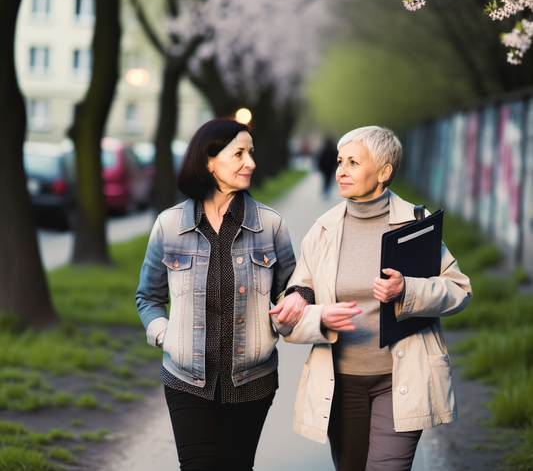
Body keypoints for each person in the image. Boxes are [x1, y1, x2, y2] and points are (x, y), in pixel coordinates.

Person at [282, 125, 472, 471]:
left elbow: (459, 290)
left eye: (354, 162)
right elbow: (297, 301)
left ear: (384, 172)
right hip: (340, 383)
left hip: (400, 378)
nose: (341, 170)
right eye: (340, 161)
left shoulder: (417, 225)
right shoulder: (322, 230)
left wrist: (408, 290)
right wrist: (310, 310)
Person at [135, 118, 310, 470]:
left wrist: (301, 295)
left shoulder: (271, 225)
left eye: (252, 153)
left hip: (252, 381)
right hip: (185, 379)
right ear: (209, 161)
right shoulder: (169, 225)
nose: (251, 162)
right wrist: (165, 336)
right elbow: (148, 297)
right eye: (240, 153)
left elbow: (292, 288)